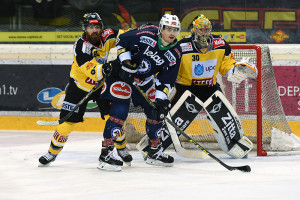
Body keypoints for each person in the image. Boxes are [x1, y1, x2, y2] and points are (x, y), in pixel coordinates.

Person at [138, 14, 257, 159]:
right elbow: (169, 67)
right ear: (194, 30)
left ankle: (235, 143)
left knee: (225, 118)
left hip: (210, 88)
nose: (204, 33)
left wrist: (236, 70)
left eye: (207, 29)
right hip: (185, 88)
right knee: (171, 118)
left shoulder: (220, 44)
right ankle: (154, 145)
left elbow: (226, 67)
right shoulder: (181, 46)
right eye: (201, 29)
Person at [38, 12, 132, 167]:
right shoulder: (80, 46)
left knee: (115, 118)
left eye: (96, 27)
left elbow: (128, 36)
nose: (94, 30)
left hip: (102, 86)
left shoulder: (108, 35)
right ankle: (52, 153)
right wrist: (111, 66)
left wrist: (143, 33)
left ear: (101, 27)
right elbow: (93, 72)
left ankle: (121, 148)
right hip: (79, 87)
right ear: (85, 29)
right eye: (90, 27)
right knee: (66, 125)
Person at [98, 14, 182, 169]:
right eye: (168, 29)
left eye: (175, 30)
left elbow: (166, 79)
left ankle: (154, 152)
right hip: (122, 74)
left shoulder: (175, 52)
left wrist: (161, 99)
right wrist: (126, 62)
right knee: (119, 112)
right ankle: (106, 155)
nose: (172, 33)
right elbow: (121, 40)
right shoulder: (146, 33)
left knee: (155, 111)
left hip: (143, 80)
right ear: (161, 29)